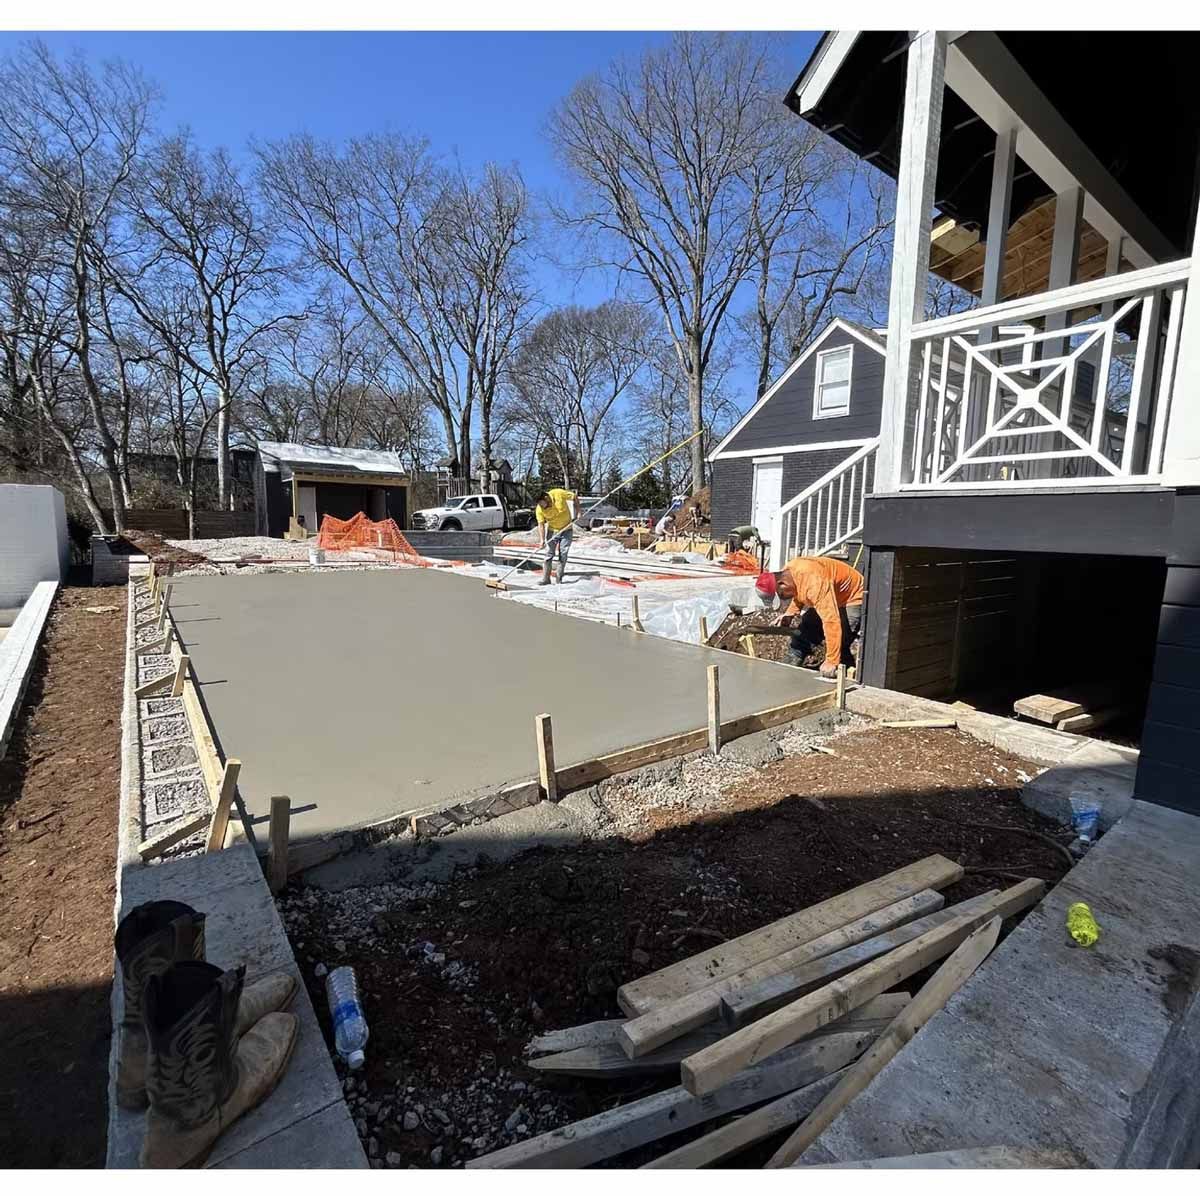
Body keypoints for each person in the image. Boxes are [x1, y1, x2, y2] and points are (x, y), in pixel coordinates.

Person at [755, 556, 865, 676]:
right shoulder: (788, 572)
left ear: (782, 583)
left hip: (851, 597)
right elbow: (798, 591)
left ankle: (845, 677)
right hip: (829, 593)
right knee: (807, 627)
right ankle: (793, 659)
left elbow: (831, 621)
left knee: (841, 639)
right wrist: (790, 613)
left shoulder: (814, 582)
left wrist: (831, 661)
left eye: (781, 595)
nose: (783, 598)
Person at [535, 488, 579, 585]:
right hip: (552, 531)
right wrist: (542, 540)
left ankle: (559, 579)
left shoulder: (558, 493)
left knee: (563, 554)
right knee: (548, 555)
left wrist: (578, 512)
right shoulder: (539, 509)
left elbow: (574, 497)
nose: (541, 506)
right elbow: (541, 525)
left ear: (546, 498)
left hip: (566, 529)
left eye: (542, 503)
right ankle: (546, 579)